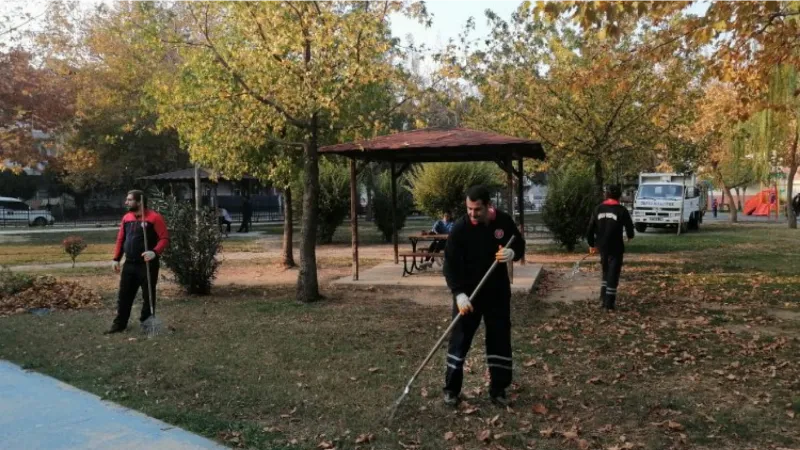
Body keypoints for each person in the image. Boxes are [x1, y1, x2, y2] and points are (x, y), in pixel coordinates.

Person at [441, 185, 525, 407]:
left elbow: (519, 244)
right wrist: (458, 294)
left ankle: (498, 389)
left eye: (477, 209)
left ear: (489, 206)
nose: (472, 214)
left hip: (497, 293)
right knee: (459, 340)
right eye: (469, 209)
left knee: (499, 339)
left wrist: (513, 252)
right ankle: (451, 389)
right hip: (468, 296)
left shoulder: (504, 222)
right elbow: (449, 266)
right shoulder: (460, 228)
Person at [105, 190, 169, 334]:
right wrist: (116, 258)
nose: (126, 202)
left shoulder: (154, 218)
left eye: (129, 200)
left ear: (139, 202)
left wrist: (155, 252)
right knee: (124, 295)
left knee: (148, 296)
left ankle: (146, 323)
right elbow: (121, 239)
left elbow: (164, 238)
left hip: (147, 264)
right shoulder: (127, 218)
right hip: (129, 264)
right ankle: (120, 324)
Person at [586, 184, 635, 311]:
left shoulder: (598, 209)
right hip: (616, 246)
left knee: (606, 271)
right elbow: (629, 227)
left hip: (602, 246)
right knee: (613, 273)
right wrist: (630, 236)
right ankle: (609, 303)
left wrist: (591, 244)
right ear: (619, 196)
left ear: (606, 195)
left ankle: (603, 296)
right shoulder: (621, 210)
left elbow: (590, 229)